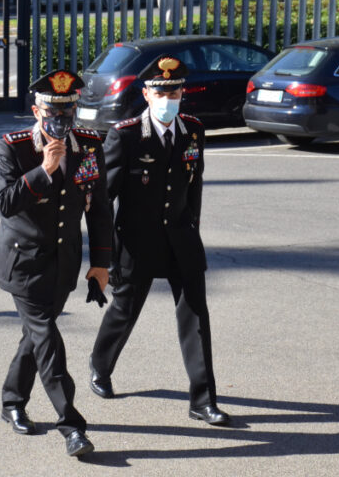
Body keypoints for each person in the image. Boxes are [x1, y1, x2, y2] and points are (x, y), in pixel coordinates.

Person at [88, 55, 231, 427]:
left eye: (175, 90)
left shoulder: (193, 130)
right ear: (146, 94)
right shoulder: (127, 134)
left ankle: (202, 400)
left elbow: (194, 186)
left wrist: (193, 232)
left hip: (181, 239)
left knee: (197, 317)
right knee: (124, 312)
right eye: (161, 90)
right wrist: (106, 256)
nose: (169, 96)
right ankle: (100, 366)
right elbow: (104, 201)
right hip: (137, 243)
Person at [0, 69, 111, 457]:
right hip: (23, 266)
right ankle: (72, 426)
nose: (60, 121)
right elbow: (6, 203)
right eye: (52, 113)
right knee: (48, 341)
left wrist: (101, 263)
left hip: (64, 265)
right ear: (36, 110)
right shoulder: (14, 148)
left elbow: (99, 211)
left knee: (34, 340)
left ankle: (12, 401)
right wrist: (42, 171)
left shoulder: (90, 146)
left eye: (68, 112)